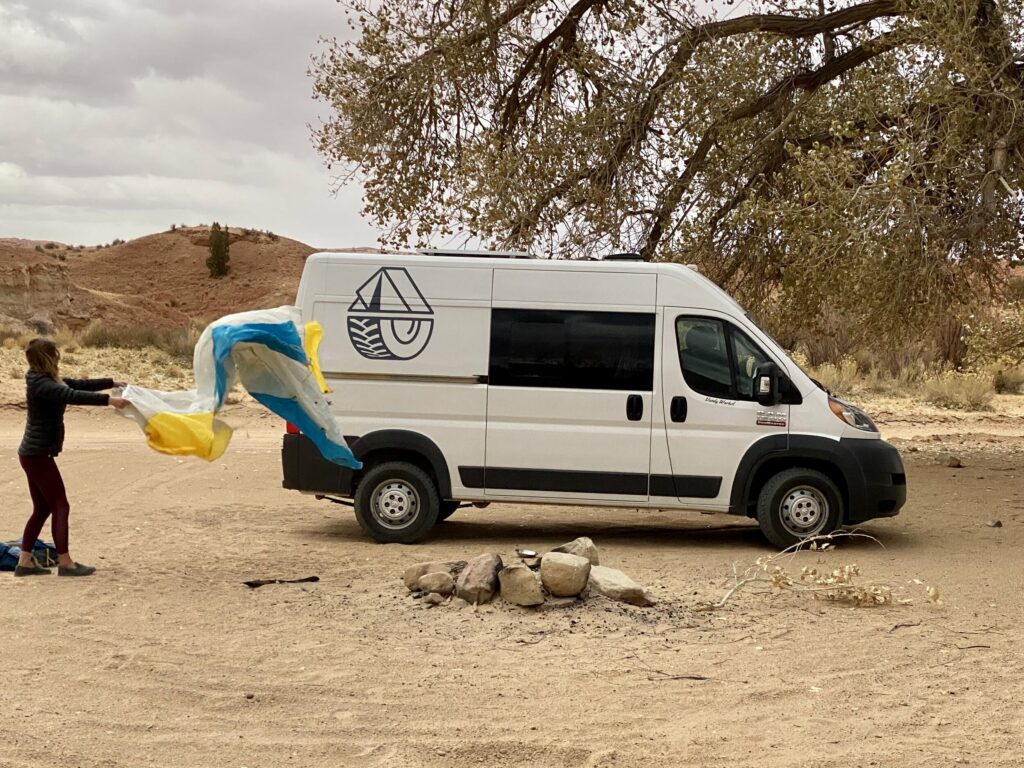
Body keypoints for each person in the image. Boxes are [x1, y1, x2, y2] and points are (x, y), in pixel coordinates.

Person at [14, 338, 128, 578]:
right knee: (60, 505)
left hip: (33, 453)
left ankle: (25, 562)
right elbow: (71, 394)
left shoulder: (43, 379)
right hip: (37, 455)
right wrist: (109, 400)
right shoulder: (42, 384)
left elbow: (77, 384)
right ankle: (65, 562)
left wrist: (111, 383)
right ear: (48, 357)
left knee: (42, 508)